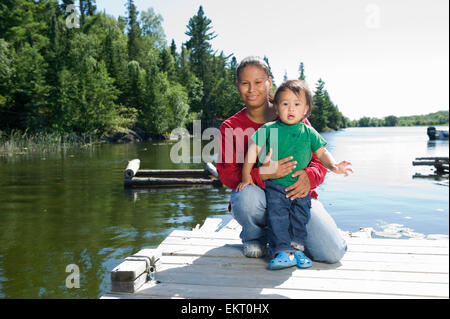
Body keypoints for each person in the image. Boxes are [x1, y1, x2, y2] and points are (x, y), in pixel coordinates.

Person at [217, 56, 347, 264]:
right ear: (238, 85)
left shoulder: (294, 114)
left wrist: (308, 177)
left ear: (269, 82)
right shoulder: (231, 127)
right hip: (260, 197)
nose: (252, 89)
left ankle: (285, 237)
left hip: (297, 195)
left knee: (332, 252)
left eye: (258, 82)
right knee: (245, 198)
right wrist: (263, 174)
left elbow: (319, 159)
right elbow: (227, 175)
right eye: (245, 83)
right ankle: (256, 236)